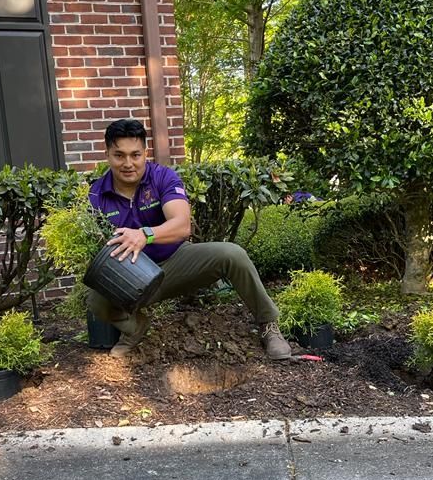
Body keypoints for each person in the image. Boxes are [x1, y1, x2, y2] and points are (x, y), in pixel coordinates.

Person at [86, 118, 292, 360]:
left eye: (135, 155)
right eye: (119, 155)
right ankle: (135, 328)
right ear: (108, 155)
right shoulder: (96, 194)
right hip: (131, 276)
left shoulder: (163, 177)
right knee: (95, 300)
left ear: (145, 153)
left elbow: (182, 226)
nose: (128, 163)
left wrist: (145, 235)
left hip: (175, 262)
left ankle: (269, 325)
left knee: (232, 254)